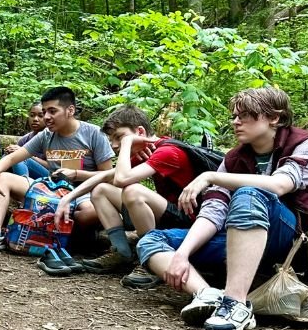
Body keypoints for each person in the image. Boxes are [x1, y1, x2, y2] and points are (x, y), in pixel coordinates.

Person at [137, 87, 308, 330]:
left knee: (249, 193)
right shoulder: (235, 158)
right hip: (241, 235)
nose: (236, 122)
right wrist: (182, 254)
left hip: (294, 237)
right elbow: (214, 211)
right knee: (152, 240)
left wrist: (209, 175)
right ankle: (207, 295)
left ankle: (236, 304)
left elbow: (281, 185)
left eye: (245, 115)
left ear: (274, 118)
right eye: (234, 116)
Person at [50, 106, 198, 279]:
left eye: (119, 137)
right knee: (100, 190)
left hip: (190, 220)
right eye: (112, 139)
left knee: (132, 191)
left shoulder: (168, 152)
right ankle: (122, 252)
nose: (114, 145)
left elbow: (121, 180)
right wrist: (67, 198)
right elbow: (104, 177)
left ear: (139, 132)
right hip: (169, 214)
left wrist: (127, 143)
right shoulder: (148, 150)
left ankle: (151, 259)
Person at [0, 86, 114, 253]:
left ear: (70, 110)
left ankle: (68, 235)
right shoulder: (46, 135)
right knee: (3, 178)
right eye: (45, 112)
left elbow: (108, 176)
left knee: (91, 212)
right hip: (50, 190)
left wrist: (77, 174)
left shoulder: (94, 134)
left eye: (52, 111)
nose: (47, 117)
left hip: (83, 193)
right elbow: (13, 157)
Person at [5, 102, 51, 180]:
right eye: (32, 115)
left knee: (20, 157)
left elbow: (52, 166)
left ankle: (23, 187)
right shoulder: (25, 139)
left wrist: (26, 154)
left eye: (40, 116)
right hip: (28, 174)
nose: (35, 119)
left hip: (49, 176)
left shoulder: (52, 137)